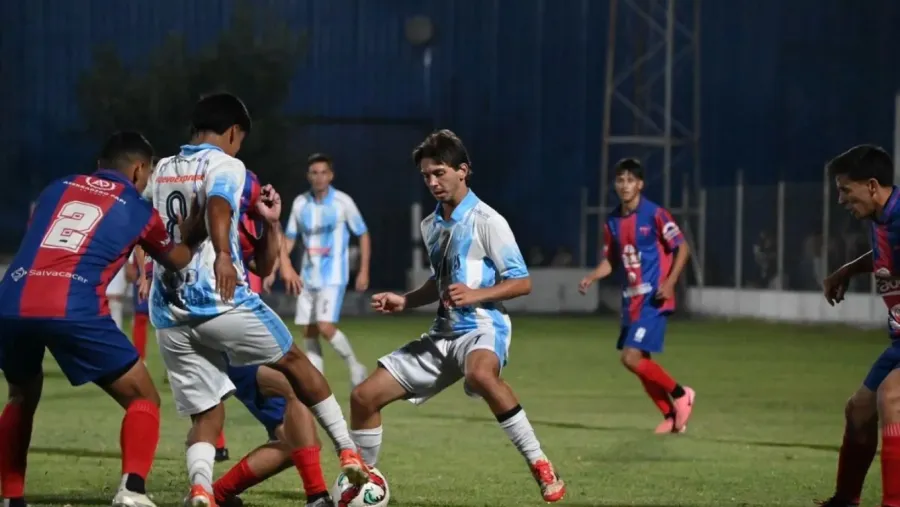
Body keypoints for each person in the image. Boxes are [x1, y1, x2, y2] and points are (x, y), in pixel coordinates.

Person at [146, 92, 367, 506]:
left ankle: (202, 490)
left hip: (170, 312)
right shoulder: (226, 168)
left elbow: (263, 265)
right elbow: (216, 205)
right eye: (240, 140)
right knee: (296, 367)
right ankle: (347, 454)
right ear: (233, 132)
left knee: (209, 415)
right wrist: (225, 258)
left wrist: (270, 224)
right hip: (218, 302)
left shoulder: (161, 169)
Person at [347, 130, 566, 503]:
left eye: (440, 173)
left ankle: (540, 464)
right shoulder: (431, 225)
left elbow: (522, 282)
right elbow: (441, 280)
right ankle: (363, 484)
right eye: (426, 175)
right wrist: (406, 301)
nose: (432, 182)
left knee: (481, 374)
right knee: (363, 397)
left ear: (463, 171)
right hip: (443, 333)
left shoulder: (487, 220)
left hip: (482, 327)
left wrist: (477, 294)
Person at [0, 131, 206, 507]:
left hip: (10, 300)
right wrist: (194, 232)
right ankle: (132, 491)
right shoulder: (138, 208)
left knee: (20, 395)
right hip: (72, 305)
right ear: (140, 170)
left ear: (100, 165)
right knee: (144, 396)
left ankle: (11, 498)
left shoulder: (56, 187)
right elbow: (177, 260)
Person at [213, 173, 335, 507]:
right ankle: (318, 496)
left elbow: (263, 266)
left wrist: (272, 226)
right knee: (293, 385)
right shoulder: (215, 222)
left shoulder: (240, 226)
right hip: (224, 335)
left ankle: (216, 494)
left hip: (239, 333)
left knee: (290, 440)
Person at [577, 158, 695, 434]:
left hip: (654, 299)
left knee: (630, 358)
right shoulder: (613, 222)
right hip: (631, 302)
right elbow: (612, 261)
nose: (625, 185)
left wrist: (669, 283)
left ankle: (681, 394)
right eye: (620, 180)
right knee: (640, 363)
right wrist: (593, 276)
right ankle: (670, 416)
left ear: (640, 184)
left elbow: (683, 248)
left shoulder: (655, 214)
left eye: (630, 180)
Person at [817, 144, 900, 507]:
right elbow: (887, 254)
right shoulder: (881, 219)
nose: (840, 200)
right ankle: (845, 499)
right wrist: (847, 270)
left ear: (871, 185)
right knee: (859, 409)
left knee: (892, 398)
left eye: (844, 190)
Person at [273, 153, 370, 387]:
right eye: (314, 173)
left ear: (331, 175)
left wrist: (363, 270)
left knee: (325, 325)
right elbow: (290, 239)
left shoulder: (342, 202)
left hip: (334, 275)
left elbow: (363, 234)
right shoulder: (300, 203)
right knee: (309, 331)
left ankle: (355, 366)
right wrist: (274, 267)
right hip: (307, 276)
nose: (319, 177)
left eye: (323, 172)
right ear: (308, 176)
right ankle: (318, 383)